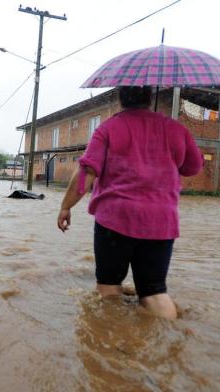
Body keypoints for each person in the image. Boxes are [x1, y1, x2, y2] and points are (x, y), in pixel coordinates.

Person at [57, 86, 204, 320]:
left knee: (109, 288)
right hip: (161, 223)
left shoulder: (108, 129)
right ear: (150, 97)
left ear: (120, 98)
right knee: (154, 293)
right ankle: (168, 339)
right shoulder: (177, 129)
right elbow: (193, 167)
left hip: (115, 220)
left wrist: (66, 206)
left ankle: (113, 343)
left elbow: (87, 171)